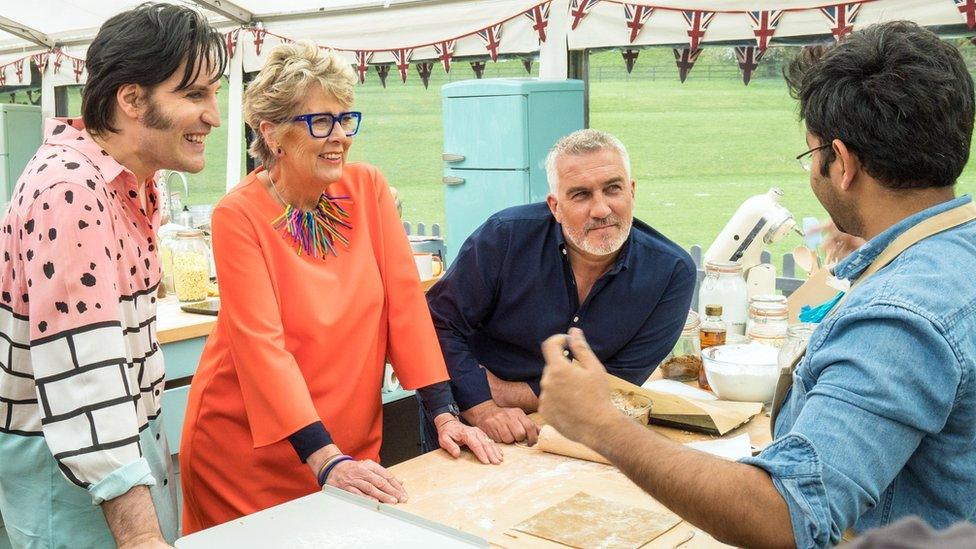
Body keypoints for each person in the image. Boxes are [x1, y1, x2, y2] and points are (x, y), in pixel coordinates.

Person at [538, 21, 976, 549]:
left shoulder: (899, 317)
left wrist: (602, 425)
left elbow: (788, 517)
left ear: (843, 164)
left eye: (812, 154)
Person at [178, 42, 500, 534]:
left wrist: (443, 412)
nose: (340, 137)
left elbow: (405, 306)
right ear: (271, 132)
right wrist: (324, 458)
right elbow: (262, 348)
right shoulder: (237, 215)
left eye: (346, 119)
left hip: (349, 447)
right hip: (249, 453)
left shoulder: (366, 189)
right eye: (320, 122)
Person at [0, 4, 225, 547]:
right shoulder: (72, 191)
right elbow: (86, 381)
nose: (214, 116)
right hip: (77, 469)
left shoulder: (121, 180)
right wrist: (143, 538)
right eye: (194, 94)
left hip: (111, 455)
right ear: (130, 99)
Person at [426, 129, 696, 445]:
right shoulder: (504, 238)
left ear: (632, 191)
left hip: (575, 435)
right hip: (465, 422)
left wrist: (502, 391)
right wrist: (481, 405)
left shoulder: (672, 274)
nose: (601, 209)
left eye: (613, 189)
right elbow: (435, 323)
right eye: (581, 195)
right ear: (555, 206)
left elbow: (615, 386)